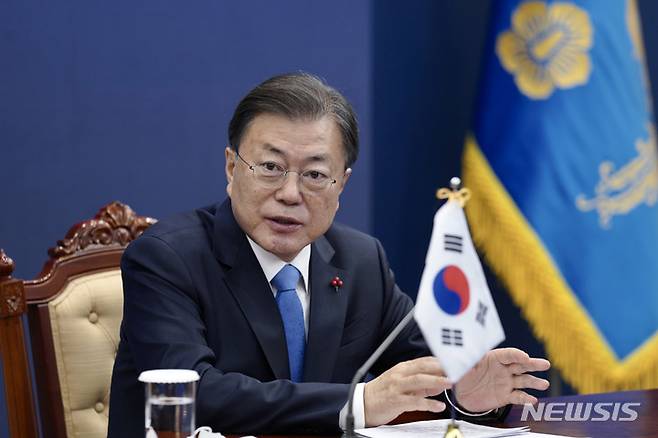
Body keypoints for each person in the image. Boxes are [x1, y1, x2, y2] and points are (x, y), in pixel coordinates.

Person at [108, 72, 550, 437]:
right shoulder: (167, 258)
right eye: (270, 167)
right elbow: (192, 393)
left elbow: (427, 369)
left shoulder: (360, 261)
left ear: (342, 184)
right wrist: (360, 402)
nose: (289, 193)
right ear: (231, 167)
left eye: (315, 174)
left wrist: (465, 393)